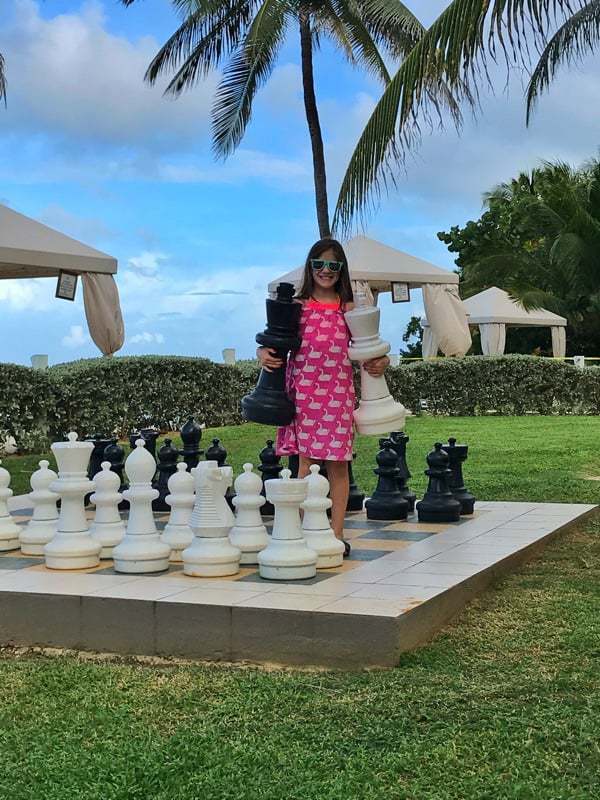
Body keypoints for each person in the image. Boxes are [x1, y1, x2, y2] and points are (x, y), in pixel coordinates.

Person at [257, 238, 389, 556]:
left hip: (338, 393)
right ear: (310, 267)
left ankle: (336, 533)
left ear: (341, 269)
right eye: (320, 264)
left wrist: (381, 361)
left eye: (333, 265)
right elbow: (273, 339)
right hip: (303, 393)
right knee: (306, 463)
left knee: (338, 465)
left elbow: (372, 347)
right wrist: (263, 353)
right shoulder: (298, 307)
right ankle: (305, 532)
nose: (326, 271)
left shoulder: (350, 309)